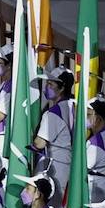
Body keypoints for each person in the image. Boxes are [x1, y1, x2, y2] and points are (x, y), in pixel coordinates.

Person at [33, 66, 75, 197]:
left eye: (50, 84)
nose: (46, 87)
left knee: (53, 205)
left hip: (56, 166)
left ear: (62, 88)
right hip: (72, 165)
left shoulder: (53, 113)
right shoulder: (76, 106)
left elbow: (39, 143)